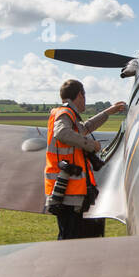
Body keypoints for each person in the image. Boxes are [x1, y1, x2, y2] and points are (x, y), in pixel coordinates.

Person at [45, 79, 125, 239]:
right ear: (80, 95)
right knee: (70, 240)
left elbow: (85, 128)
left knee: (74, 238)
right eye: (85, 96)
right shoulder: (65, 114)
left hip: (69, 192)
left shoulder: (67, 115)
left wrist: (108, 112)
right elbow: (61, 133)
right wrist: (91, 145)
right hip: (68, 192)